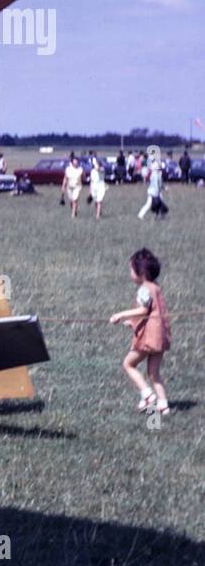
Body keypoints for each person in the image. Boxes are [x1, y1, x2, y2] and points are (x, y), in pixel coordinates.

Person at [109, 248, 172, 414]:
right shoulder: (155, 287)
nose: (130, 273)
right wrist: (133, 322)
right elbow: (153, 313)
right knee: (153, 372)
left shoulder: (144, 289)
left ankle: (148, 395)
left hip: (149, 339)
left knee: (128, 364)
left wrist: (121, 315)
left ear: (141, 272)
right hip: (160, 336)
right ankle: (162, 405)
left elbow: (144, 310)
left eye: (131, 269)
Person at [88, 153, 107, 219]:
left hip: (101, 187)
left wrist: (97, 166)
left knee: (99, 201)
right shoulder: (92, 171)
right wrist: (90, 192)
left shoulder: (102, 169)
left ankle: (98, 215)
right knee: (96, 201)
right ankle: (99, 212)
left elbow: (100, 170)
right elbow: (91, 181)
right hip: (94, 187)